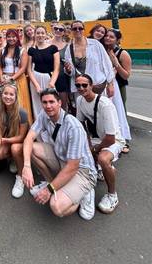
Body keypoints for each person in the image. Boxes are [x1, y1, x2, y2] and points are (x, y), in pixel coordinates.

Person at [22, 88, 97, 220]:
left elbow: (73, 166)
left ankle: (84, 192)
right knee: (32, 149)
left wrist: (48, 191)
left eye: (52, 102)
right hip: (62, 159)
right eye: (45, 102)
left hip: (82, 171)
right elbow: (29, 138)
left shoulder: (73, 126)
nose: (48, 106)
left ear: (59, 103)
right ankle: (52, 183)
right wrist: (27, 166)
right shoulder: (44, 114)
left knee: (56, 207)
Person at [75, 74, 124, 213]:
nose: (81, 88)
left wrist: (94, 149)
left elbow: (111, 138)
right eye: (78, 85)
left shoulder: (105, 105)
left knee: (103, 158)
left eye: (84, 85)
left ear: (92, 86)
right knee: (77, 151)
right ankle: (103, 170)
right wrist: (88, 144)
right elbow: (81, 125)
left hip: (114, 140)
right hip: (97, 138)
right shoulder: (80, 100)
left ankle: (112, 195)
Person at [0, 82, 29, 197]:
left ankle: (20, 177)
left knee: (15, 148)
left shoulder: (22, 112)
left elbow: (22, 137)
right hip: (7, 136)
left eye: (11, 94)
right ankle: (13, 158)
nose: (8, 97)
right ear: (1, 95)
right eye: (5, 93)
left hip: (20, 141)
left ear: (16, 96)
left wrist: (2, 141)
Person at [63, 21, 115, 101]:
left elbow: (107, 63)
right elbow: (71, 72)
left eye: (80, 28)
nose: (77, 30)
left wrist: (110, 84)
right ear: (71, 30)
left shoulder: (95, 44)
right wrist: (68, 70)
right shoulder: (69, 48)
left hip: (97, 84)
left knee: (100, 110)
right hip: (81, 88)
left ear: (83, 30)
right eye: (75, 28)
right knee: (84, 111)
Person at [104, 28, 132, 150]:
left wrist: (116, 63)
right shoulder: (103, 50)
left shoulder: (123, 53)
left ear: (117, 40)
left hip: (118, 86)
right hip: (104, 86)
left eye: (111, 37)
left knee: (120, 112)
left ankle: (124, 140)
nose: (108, 38)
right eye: (107, 36)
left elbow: (126, 75)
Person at [0, 29, 32, 124]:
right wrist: (1, 78)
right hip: (5, 80)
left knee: (20, 104)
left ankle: (23, 128)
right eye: (9, 36)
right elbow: (0, 66)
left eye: (13, 37)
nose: (11, 39)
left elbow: (23, 68)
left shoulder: (22, 51)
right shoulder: (2, 50)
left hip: (18, 79)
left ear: (17, 38)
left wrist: (12, 78)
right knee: (6, 105)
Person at [27, 26, 60, 119]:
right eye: (38, 33)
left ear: (46, 34)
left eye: (42, 33)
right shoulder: (31, 50)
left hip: (49, 78)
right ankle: (40, 130)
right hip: (35, 78)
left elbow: (56, 68)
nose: (40, 35)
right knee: (37, 104)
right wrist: (36, 85)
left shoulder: (53, 48)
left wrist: (52, 83)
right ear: (34, 34)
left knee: (51, 104)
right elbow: (29, 69)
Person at [50, 23, 70, 111]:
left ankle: (62, 122)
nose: (58, 30)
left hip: (62, 77)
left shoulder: (67, 46)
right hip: (49, 77)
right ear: (53, 29)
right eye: (56, 28)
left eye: (61, 29)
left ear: (64, 32)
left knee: (63, 104)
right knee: (49, 102)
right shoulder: (46, 43)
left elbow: (70, 62)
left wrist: (69, 68)